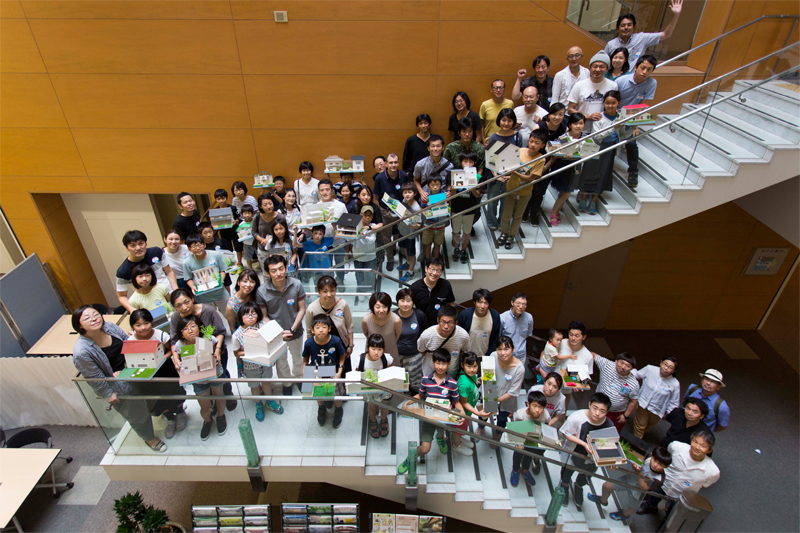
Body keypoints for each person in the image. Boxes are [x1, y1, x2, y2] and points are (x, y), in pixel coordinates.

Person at [71, 305, 167, 452]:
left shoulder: (109, 327)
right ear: (79, 325)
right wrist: (108, 394)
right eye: (87, 318)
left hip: (135, 369)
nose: (94, 319)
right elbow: (94, 377)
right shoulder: (82, 351)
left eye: (96, 315)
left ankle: (158, 413)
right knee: (137, 415)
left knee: (151, 398)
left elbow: (128, 343)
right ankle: (149, 439)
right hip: (118, 384)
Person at [398, 348, 466, 474]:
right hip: (429, 418)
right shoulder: (426, 380)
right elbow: (420, 396)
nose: (440, 367)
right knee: (425, 449)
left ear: (449, 364)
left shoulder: (452, 383)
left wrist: (462, 414)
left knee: (441, 433)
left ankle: (440, 438)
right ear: (433, 363)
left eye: (443, 363)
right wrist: (408, 401)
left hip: (444, 418)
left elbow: (457, 402)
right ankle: (410, 457)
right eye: (438, 363)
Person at [168, 288, 237, 409]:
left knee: (221, 373)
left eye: (186, 302)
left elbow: (220, 332)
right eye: (178, 305)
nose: (184, 308)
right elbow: (174, 339)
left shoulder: (208, 311)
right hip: (193, 354)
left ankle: (228, 394)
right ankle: (212, 401)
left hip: (216, 349)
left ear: (192, 299)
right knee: (202, 377)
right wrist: (175, 358)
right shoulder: (175, 317)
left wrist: (217, 350)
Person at [127, 308, 187, 439]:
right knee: (159, 399)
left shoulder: (160, 335)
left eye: (146, 323)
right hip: (148, 374)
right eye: (138, 325)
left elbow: (170, 351)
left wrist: (161, 358)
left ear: (151, 322)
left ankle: (180, 412)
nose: (143, 328)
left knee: (174, 392)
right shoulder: (130, 341)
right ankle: (170, 419)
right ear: (132, 326)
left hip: (165, 369)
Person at [577, 89, 634, 216]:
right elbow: (597, 137)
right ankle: (584, 197)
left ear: (618, 103)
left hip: (609, 149)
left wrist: (632, 130)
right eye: (607, 103)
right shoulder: (599, 117)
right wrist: (614, 127)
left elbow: (622, 135)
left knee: (602, 174)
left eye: (613, 103)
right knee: (589, 173)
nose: (610, 106)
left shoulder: (620, 118)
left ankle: (593, 201)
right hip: (596, 148)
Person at [256, 255, 307, 393]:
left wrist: (292, 329)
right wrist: (278, 332)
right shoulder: (262, 291)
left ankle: (299, 379)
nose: (278, 273)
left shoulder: (296, 284)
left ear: (286, 268)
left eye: (281, 269)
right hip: (276, 335)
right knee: (281, 362)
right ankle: (287, 384)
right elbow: (264, 316)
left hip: (295, 331)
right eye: (273, 270)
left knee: (297, 358)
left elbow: (302, 309)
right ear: (267, 273)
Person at [173, 314, 228, 440]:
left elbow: (216, 345)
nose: (190, 330)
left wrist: (216, 354)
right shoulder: (180, 344)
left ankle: (220, 416)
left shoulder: (207, 338)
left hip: (214, 374)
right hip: (197, 378)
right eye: (185, 329)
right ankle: (207, 421)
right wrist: (176, 360)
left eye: (193, 326)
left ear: (200, 328)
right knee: (204, 403)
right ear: (181, 334)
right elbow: (175, 352)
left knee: (219, 395)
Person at [638, 431, 720, 516]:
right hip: (664, 483)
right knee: (655, 495)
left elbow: (707, 484)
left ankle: (667, 520)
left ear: (709, 450)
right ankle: (650, 505)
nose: (697, 447)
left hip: (681, 495)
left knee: (673, 513)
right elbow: (667, 456)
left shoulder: (712, 471)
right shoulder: (676, 447)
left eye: (703, 446)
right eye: (695, 442)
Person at [559, 392, 614, 510]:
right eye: (595, 408)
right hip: (574, 453)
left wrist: (610, 460)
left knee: (586, 475)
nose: (597, 413)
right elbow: (565, 433)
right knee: (567, 472)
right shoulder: (576, 418)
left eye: (602, 411)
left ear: (607, 412)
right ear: (589, 404)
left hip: (592, 459)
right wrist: (584, 444)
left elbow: (609, 446)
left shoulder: (608, 425)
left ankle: (579, 487)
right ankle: (564, 486)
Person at [231, 302, 284, 421]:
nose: (250, 316)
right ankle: (258, 404)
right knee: (254, 386)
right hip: (250, 366)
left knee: (266, 382)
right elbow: (237, 353)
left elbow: (271, 341)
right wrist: (251, 350)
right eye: (246, 314)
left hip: (265, 362)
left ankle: (269, 401)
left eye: (253, 313)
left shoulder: (262, 325)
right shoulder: (237, 335)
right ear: (240, 316)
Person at [588, 446, 672, 521]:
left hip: (638, 493)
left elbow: (644, 488)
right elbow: (634, 464)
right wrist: (635, 467)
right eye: (654, 460)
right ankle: (603, 500)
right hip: (628, 480)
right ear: (652, 454)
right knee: (606, 486)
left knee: (632, 509)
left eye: (660, 464)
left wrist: (639, 473)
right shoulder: (647, 458)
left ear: (666, 467)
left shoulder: (659, 479)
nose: (655, 465)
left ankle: (624, 514)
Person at [498, 129, 548, 249]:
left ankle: (511, 235)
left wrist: (514, 172)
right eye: (531, 141)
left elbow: (530, 178)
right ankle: (504, 233)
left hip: (525, 192)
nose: (533, 145)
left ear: (543, 145)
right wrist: (507, 175)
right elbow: (508, 166)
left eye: (537, 143)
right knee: (506, 215)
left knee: (518, 216)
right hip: (510, 189)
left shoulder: (541, 159)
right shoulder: (519, 151)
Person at [615, 55, 659, 187]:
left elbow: (643, 105)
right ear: (636, 67)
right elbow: (611, 101)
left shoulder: (652, 83)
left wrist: (635, 125)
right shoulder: (621, 81)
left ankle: (633, 171)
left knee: (632, 143)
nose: (645, 72)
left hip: (631, 117)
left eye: (649, 69)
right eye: (642, 68)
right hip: (615, 114)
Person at [523, 103, 568, 223]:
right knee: (529, 188)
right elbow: (531, 146)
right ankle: (524, 212)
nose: (557, 117)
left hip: (552, 162)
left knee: (540, 191)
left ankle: (534, 213)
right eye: (554, 114)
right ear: (549, 114)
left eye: (561, 114)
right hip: (535, 159)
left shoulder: (564, 130)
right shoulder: (539, 127)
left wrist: (548, 165)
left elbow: (563, 149)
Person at [604, 0, 684, 66]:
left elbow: (666, 34)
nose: (626, 27)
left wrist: (676, 15)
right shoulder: (611, 45)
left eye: (629, 25)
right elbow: (604, 63)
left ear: (634, 27)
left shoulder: (642, 38)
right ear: (617, 29)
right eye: (623, 25)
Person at [116, 230, 178, 313]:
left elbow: (169, 272)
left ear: (146, 243)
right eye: (132, 245)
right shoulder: (123, 271)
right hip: (149, 302)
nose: (138, 248)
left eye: (141, 244)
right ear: (127, 248)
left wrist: (176, 291)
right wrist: (131, 309)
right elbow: (122, 296)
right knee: (159, 321)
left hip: (168, 292)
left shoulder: (156, 252)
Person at [302, 314, 346, 428]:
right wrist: (305, 372)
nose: (321, 330)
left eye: (324, 327)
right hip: (317, 373)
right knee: (319, 394)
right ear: (312, 330)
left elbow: (342, 355)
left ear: (329, 328)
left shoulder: (335, 341)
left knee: (336, 395)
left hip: (333, 372)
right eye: (317, 327)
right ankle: (321, 409)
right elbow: (305, 359)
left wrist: (340, 370)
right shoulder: (309, 343)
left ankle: (338, 410)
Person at [485, 108, 524, 231]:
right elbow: (490, 159)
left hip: (512, 175)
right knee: (492, 201)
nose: (506, 123)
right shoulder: (493, 137)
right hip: (495, 175)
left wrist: (511, 175)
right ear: (499, 120)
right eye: (504, 120)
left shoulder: (518, 137)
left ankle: (502, 221)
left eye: (509, 120)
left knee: (506, 201)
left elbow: (521, 158)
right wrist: (497, 175)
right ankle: (491, 221)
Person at [305, 276, 354, 366]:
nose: (329, 294)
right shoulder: (311, 309)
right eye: (325, 291)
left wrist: (350, 345)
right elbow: (309, 332)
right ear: (319, 291)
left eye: (332, 290)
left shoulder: (342, 304)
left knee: (341, 373)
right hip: (320, 348)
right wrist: (311, 350)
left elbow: (349, 326)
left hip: (341, 347)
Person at [548, 113, 586, 226]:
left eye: (581, 123)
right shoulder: (564, 137)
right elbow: (555, 151)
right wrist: (565, 155)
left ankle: (557, 211)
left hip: (575, 169)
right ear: (570, 124)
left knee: (565, 193)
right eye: (575, 123)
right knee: (566, 194)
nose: (578, 126)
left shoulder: (585, 137)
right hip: (562, 167)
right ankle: (554, 212)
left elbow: (587, 152)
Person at [372, 153, 408, 271]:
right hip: (385, 211)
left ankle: (404, 252)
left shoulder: (403, 175)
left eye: (396, 162)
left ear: (398, 163)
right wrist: (379, 214)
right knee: (386, 238)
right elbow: (376, 198)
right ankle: (390, 259)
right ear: (386, 164)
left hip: (400, 210)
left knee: (404, 233)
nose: (393, 165)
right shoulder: (379, 178)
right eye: (391, 163)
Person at [568, 51, 618, 134]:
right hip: (582, 130)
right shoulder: (579, 85)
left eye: (602, 67)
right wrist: (588, 116)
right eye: (595, 66)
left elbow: (614, 107)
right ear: (590, 68)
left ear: (607, 68)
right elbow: (570, 109)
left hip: (603, 130)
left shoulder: (613, 86)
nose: (598, 69)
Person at [630, 356, 680, 439]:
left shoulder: (675, 384)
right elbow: (638, 374)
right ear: (661, 362)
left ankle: (642, 433)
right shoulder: (650, 369)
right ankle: (637, 443)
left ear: (674, 371)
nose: (666, 368)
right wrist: (626, 372)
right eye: (665, 364)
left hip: (658, 409)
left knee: (650, 424)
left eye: (670, 367)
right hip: (643, 403)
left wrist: (669, 413)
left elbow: (674, 401)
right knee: (640, 425)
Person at [509, 390, 551, 487]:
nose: (537, 410)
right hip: (522, 438)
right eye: (534, 406)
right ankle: (515, 470)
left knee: (529, 455)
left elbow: (547, 425)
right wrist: (518, 443)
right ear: (528, 404)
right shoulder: (520, 414)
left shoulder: (545, 415)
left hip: (534, 440)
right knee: (517, 455)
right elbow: (516, 429)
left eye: (540, 407)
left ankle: (525, 470)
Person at [489, 336, 525, 446]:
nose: (502, 353)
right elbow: (488, 375)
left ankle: (497, 436)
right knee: (485, 413)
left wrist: (496, 400)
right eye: (499, 349)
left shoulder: (519, 368)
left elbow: (513, 391)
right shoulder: (493, 356)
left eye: (506, 349)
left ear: (513, 349)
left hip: (507, 399)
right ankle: (481, 427)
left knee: (502, 419)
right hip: (491, 392)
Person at [449, 152, 484, 263]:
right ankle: (456, 249)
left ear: (474, 163)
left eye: (470, 162)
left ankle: (463, 250)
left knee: (467, 232)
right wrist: (454, 186)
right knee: (455, 231)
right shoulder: (454, 174)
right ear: (461, 163)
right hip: (456, 208)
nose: (468, 164)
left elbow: (478, 195)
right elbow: (452, 194)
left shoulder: (478, 177)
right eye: (465, 161)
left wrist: (472, 186)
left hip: (470, 209)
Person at [358, 334, 394, 439]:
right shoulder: (362, 360)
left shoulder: (386, 358)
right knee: (371, 406)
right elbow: (357, 374)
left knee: (384, 405)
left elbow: (389, 371)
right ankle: (373, 421)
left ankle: (384, 419)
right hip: (369, 389)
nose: (376, 352)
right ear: (368, 348)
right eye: (373, 349)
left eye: (379, 349)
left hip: (383, 389)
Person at [418, 305, 470, 379]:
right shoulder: (427, 335)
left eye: (450, 322)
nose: (446, 326)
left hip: (451, 376)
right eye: (443, 322)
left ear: (456, 322)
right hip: (429, 374)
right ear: (438, 320)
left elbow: (464, 351)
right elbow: (421, 350)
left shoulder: (463, 336)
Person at [593, 351, 640, 432]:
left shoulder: (633, 384)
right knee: (592, 427)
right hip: (598, 406)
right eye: (621, 363)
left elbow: (633, 401)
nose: (623, 367)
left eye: (627, 366)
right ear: (616, 361)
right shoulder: (607, 365)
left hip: (615, 413)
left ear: (632, 368)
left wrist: (626, 416)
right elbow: (593, 355)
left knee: (609, 433)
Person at [183, 233, 229, 314]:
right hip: (203, 296)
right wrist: (193, 287)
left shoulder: (216, 255)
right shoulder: (187, 262)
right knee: (210, 317)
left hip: (219, 292)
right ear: (189, 249)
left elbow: (222, 270)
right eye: (194, 246)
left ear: (204, 245)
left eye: (199, 245)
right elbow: (188, 278)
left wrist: (221, 279)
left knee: (229, 314)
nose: (197, 248)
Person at [394, 288, 428, 394]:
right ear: (397, 301)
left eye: (408, 300)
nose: (405, 304)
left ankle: (416, 398)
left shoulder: (419, 315)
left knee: (415, 381)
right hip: (397, 354)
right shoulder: (392, 316)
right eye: (402, 300)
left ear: (413, 302)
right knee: (399, 379)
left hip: (415, 355)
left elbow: (424, 335)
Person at [456, 351, 489, 452]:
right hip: (463, 413)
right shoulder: (464, 383)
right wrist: (477, 413)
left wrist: (478, 381)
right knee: (458, 430)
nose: (472, 370)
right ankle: (456, 444)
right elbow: (464, 402)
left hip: (469, 412)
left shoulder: (472, 376)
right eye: (469, 366)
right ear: (462, 365)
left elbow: (473, 383)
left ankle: (460, 438)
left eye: (475, 366)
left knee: (462, 428)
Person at [410, 258, 455, 327]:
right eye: (432, 269)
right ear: (426, 269)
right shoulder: (415, 287)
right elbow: (409, 306)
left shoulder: (446, 285)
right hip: (422, 324)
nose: (434, 273)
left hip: (441, 325)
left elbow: (450, 303)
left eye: (438, 270)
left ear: (441, 273)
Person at [361, 291, 402, 368]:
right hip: (372, 353)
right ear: (372, 306)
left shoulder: (396, 320)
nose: (381, 310)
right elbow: (366, 334)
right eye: (378, 307)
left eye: (384, 307)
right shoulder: (366, 320)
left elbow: (397, 336)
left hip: (390, 351)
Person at [457, 288, 502, 357]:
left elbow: (496, 338)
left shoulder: (494, 316)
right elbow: (459, 335)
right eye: (480, 302)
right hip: (467, 355)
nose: (482, 306)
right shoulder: (465, 314)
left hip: (486, 355)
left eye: (486, 303)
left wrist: (489, 355)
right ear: (474, 302)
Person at [413, 134, 453, 204]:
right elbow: (416, 180)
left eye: (438, 146)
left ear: (443, 147)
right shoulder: (420, 164)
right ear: (428, 148)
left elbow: (450, 182)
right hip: (426, 200)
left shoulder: (449, 165)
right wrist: (421, 192)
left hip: (442, 199)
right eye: (432, 146)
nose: (435, 149)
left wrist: (449, 191)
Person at [252, 194, 286, 275]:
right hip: (262, 248)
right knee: (266, 273)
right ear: (260, 206)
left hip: (277, 248)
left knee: (279, 272)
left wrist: (268, 239)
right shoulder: (257, 217)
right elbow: (254, 232)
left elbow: (284, 231)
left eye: (270, 203)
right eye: (265, 204)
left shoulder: (280, 217)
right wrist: (262, 240)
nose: (268, 206)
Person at [397, 182, 423, 283]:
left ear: (415, 193)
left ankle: (411, 272)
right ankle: (407, 263)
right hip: (402, 230)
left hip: (411, 234)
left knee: (411, 253)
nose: (407, 194)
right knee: (404, 249)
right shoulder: (404, 201)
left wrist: (413, 226)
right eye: (405, 192)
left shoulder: (416, 208)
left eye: (410, 192)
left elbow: (419, 224)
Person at [353, 206, 380, 298]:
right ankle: (361, 292)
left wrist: (363, 236)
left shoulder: (373, 226)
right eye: (365, 215)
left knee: (371, 276)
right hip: (357, 256)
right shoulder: (355, 225)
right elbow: (350, 241)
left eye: (370, 215)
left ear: (372, 217)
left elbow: (372, 240)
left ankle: (370, 291)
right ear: (361, 215)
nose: (367, 217)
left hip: (370, 257)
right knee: (359, 275)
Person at [420, 176, 448, 262]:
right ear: (428, 186)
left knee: (438, 244)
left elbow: (448, 206)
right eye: (432, 185)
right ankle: (428, 259)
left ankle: (435, 260)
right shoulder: (426, 197)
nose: (435, 187)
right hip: (428, 225)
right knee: (427, 244)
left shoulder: (445, 195)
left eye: (437, 184)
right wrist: (425, 213)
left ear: (441, 185)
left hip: (440, 225)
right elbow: (422, 207)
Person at [499, 292, 533, 360]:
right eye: (518, 303)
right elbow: (498, 337)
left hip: (521, 355)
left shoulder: (529, 318)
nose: (521, 307)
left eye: (524, 304)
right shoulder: (502, 318)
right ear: (512, 303)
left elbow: (528, 334)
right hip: (506, 355)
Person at [225, 268, 260, 333]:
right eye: (245, 281)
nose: (248, 285)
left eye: (252, 282)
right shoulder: (231, 305)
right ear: (238, 282)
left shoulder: (257, 295)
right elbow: (232, 328)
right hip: (244, 333)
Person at [212, 189, 240, 259]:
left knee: (238, 248)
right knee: (227, 250)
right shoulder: (215, 210)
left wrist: (236, 221)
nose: (221, 201)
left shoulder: (232, 208)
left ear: (226, 198)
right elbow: (214, 222)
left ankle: (239, 263)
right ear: (216, 200)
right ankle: (231, 264)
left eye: (223, 198)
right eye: (218, 199)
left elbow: (238, 218)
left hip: (234, 231)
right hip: (224, 233)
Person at [239, 205, 258, 270]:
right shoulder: (241, 224)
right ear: (242, 214)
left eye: (249, 213)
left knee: (260, 255)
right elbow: (239, 233)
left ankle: (261, 266)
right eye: (245, 213)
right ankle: (250, 269)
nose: (247, 215)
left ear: (252, 213)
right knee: (248, 257)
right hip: (247, 243)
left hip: (256, 242)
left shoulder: (255, 221)